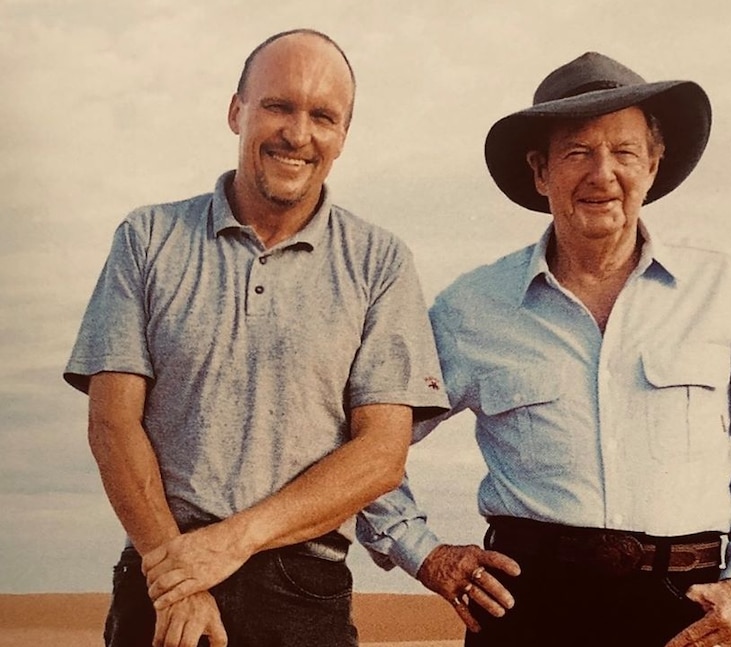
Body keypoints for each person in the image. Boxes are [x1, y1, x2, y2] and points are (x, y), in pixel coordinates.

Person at [358, 51, 731, 647]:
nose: (602, 173)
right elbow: (368, 445)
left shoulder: (722, 292)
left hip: (687, 614)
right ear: (540, 171)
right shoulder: (471, 308)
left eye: (624, 151)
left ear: (653, 165)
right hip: (528, 610)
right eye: (577, 152)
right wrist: (422, 551)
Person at [64, 29, 448, 647]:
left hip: (304, 590)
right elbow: (112, 423)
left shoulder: (381, 262)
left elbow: (382, 452)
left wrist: (228, 543)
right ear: (236, 110)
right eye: (278, 105)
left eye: (323, 116)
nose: (299, 133)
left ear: (343, 136)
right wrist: (183, 581)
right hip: (161, 579)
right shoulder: (148, 238)